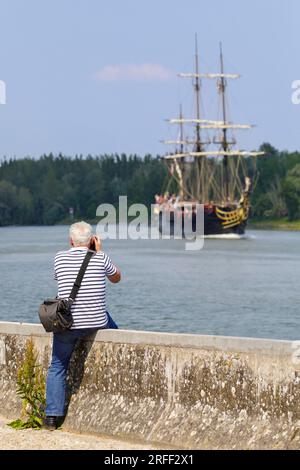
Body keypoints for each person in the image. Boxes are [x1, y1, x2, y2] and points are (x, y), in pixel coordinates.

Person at [44, 221, 121, 430]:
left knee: (58, 366)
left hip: (67, 324)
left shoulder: (59, 258)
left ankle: (52, 417)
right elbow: (116, 278)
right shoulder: (100, 257)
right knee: (111, 323)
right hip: (96, 321)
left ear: (70, 240)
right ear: (91, 241)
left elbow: (59, 280)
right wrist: (98, 252)